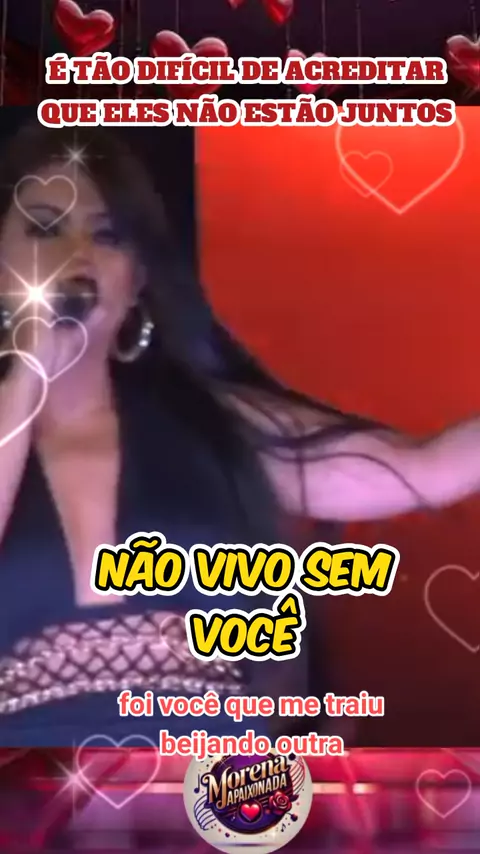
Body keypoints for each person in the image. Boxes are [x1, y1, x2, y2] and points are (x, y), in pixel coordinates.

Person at [0, 120, 475, 749]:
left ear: (137, 279)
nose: (76, 253)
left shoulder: (217, 423)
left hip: (217, 790)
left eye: (108, 234)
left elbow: (426, 470)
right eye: (44, 228)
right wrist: (25, 377)